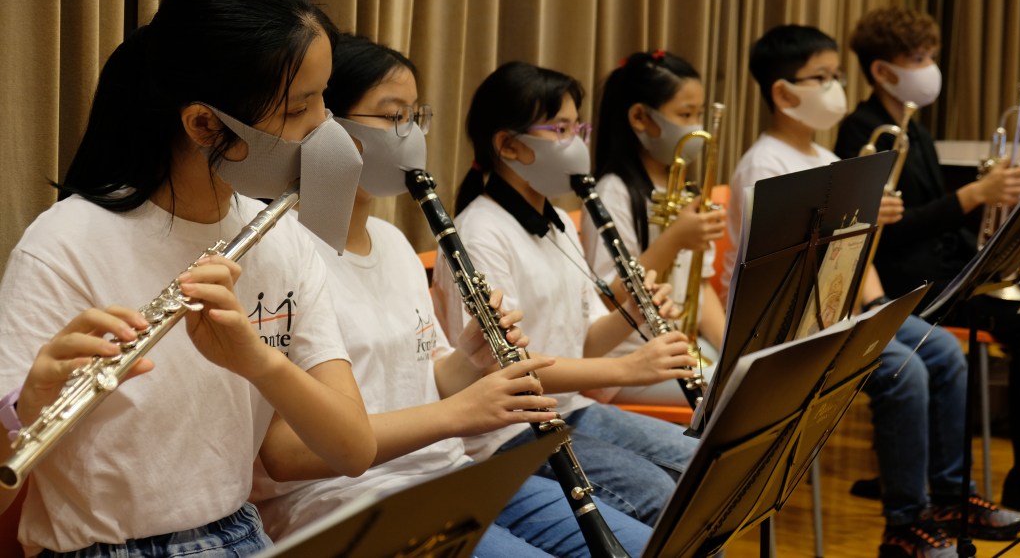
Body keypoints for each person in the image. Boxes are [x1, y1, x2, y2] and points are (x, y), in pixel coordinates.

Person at [0, 0, 378, 557]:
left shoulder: (282, 239)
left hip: (239, 530)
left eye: (323, 97)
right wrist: (28, 408)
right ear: (205, 124)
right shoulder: (64, 246)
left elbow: (353, 449)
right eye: (297, 109)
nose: (325, 127)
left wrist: (258, 362)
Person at [253, 34, 654, 557]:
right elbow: (285, 454)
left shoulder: (394, 242)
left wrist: (473, 358)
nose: (412, 135)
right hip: (346, 500)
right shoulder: (279, 256)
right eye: (394, 117)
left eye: (416, 117)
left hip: (450, 472)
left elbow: (430, 378)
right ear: (327, 125)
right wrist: (460, 413)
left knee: (646, 546)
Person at [722, 24, 1020, 557]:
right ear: (783, 94)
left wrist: (879, 299)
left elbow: (853, 254)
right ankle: (905, 522)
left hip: (843, 308)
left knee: (942, 350)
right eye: (822, 77)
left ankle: (950, 495)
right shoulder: (765, 163)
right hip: (796, 326)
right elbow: (783, 271)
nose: (836, 87)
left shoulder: (823, 156)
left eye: (837, 75)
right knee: (906, 375)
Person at [432, 60, 699, 527]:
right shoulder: (479, 234)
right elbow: (507, 367)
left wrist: (632, 312)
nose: (576, 143)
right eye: (560, 129)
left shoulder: (556, 222)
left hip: (568, 409)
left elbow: (582, 342)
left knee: (700, 463)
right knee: (659, 495)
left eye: (579, 128)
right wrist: (628, 369)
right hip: (507, 431)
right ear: (508, 145)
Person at [834, 6, 1020, 513]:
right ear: (882, 70)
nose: (930, 68)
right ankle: (997, 486)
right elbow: (887, 237)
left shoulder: (913, 128)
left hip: (940, 269)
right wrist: (974, 195)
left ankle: (958, 486)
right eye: (918, 58)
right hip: (904, 281)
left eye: (930, 56)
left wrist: (992, 257)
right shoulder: (863, 132)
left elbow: (931, 215)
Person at [581, 49, 727, 406]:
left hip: (678, 345)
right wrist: (674, 238)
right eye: (685, 114)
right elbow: (609, 297)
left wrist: (733, 348)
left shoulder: (686, 189)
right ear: (640, 117)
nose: (696, 126)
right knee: (735, 397)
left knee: (755, 376)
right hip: (627, 359)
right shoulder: (612, 192)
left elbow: (700, 285)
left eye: (699, 114)